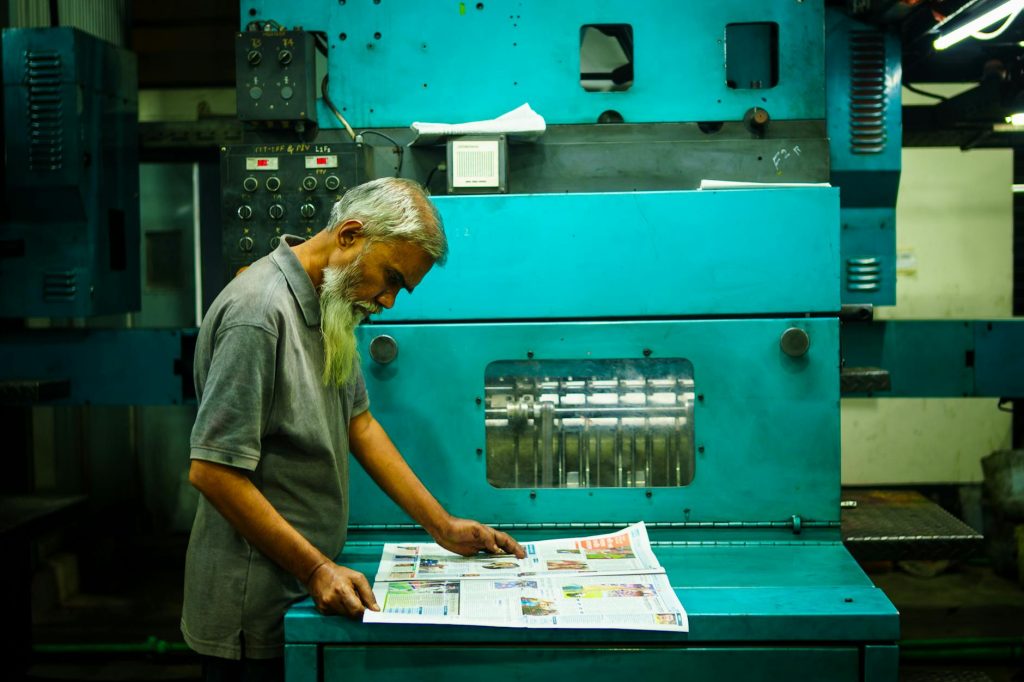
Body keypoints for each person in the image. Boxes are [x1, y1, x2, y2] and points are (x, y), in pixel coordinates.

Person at [181, 177, 524, 680]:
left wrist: (442, 527)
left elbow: (358, 424)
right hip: (252, 608)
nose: (387, 302)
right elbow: (213, 471)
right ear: (349, 235)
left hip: (304, 582)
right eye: (389, 277)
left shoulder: (329, 307)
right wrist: (316, 568)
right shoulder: (258, 314)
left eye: (399, 289)